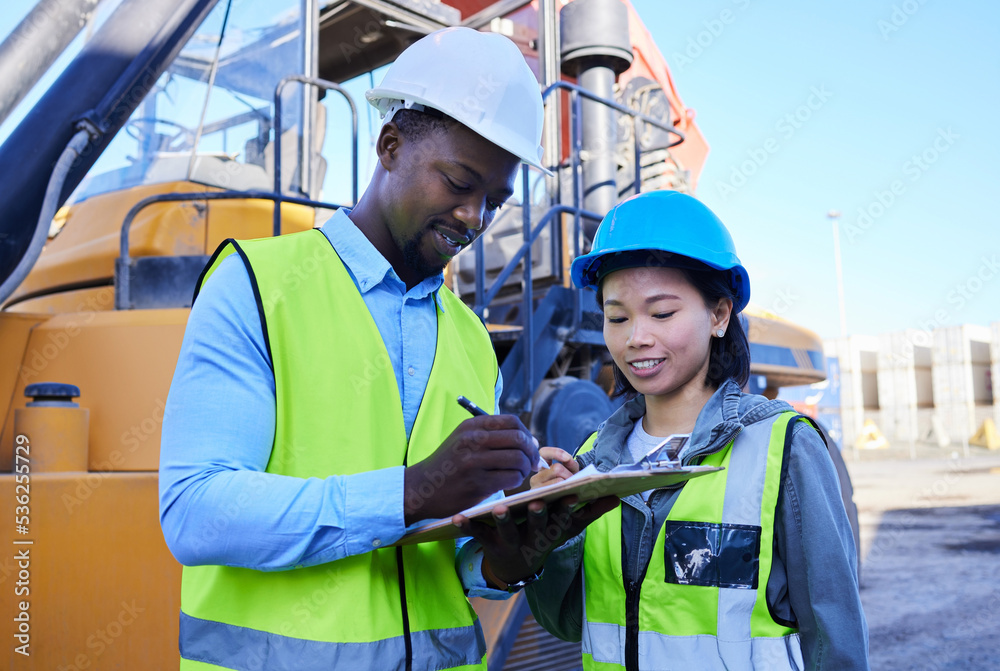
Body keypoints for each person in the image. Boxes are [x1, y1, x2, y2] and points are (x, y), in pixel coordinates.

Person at [159, 27, 614, 671]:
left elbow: (454, 558)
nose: (474, 217)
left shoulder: (472, 337)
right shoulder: (257, 285)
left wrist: (517, 548)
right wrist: (412, 489)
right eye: (459, 182)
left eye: (495, 200)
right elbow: (194, 513)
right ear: (390, 145)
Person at [524, 190, 869, 670]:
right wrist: (548, 532)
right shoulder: (592, 459)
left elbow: (835, 634)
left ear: (720, 315)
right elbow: (566, 622)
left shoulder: (783, 447)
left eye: (662, 313)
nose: (635, 336)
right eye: (616, 316)